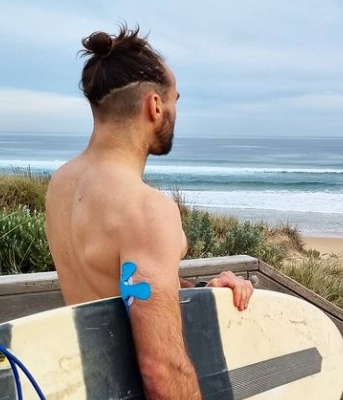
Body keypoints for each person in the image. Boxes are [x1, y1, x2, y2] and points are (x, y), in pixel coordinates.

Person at [45, 24, 254, 399]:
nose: (175, 111)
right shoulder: (147, 208)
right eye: (175, 100)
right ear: (154, 106)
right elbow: (161, 370)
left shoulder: (61, 185)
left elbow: (113, 286)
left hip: (89, 386)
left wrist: (205, 293)